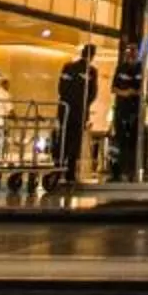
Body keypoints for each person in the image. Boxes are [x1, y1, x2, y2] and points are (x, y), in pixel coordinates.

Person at [52, 43, 99, 190]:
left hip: (67, 109)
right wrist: (82, 105)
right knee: (73, 141)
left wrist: (70, 101)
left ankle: (59, 168)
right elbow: (92, 94)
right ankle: (69, 172)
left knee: (64, 139)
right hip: (77, 110)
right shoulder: (89, 71)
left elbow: (62, 88)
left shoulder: (70, 68)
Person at [106, 45, 146, 180]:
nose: (130, 57)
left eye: (133, 54)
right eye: (128, 54)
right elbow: (114, 88)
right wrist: (125, 93)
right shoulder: (121, 68)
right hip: (122, 109)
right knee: (119, 141)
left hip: (135, 110)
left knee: (133, 141)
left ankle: (132, 170)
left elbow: (146, 90)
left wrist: (133, 93)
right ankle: (116, 171)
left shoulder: (142, 69)